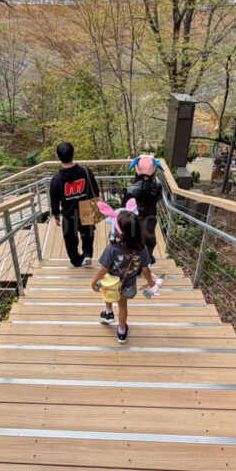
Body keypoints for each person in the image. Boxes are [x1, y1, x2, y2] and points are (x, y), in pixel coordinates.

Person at [91, 211, 159, 344]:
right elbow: (145, 270)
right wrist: (151, 283)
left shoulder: (112, 249)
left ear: (119, 232)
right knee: (123, 306)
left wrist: (94, 282)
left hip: (110, 282)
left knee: (108, 292)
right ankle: (121, 332)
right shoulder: (142, 249)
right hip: (127, 284)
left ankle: (108, 313)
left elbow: (103, 270)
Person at [49, 142, 100, 267]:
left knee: (70, 239)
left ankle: (76, 261)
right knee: (87, 235)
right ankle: (87, 254)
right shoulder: (86, 172)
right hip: (86, 209)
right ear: (73, 154)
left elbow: (54, 199)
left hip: (68, 213)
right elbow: (95, 190)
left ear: (57, 156)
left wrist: (56, 215)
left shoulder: (56, 180)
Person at [123, 155, 163, 264]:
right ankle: (148, 260)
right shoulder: (157, 187)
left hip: (133, 221)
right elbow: (158, 199)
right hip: (150, 220)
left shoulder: (130, 189)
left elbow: (124, 206)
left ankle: (134, 263)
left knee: (134, 243)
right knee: (150, 242)